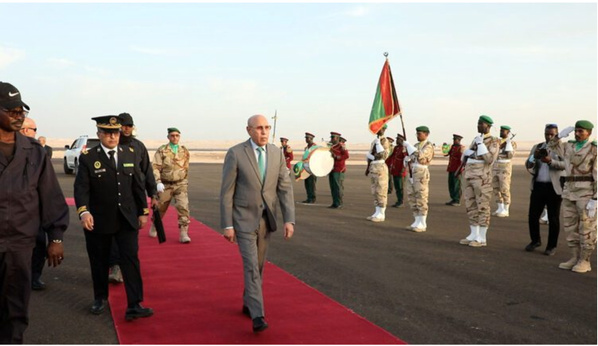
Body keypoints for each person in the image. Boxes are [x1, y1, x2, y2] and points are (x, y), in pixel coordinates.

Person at [0, 82, 69, 343]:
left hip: (20, 245)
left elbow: (50, 197)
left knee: (16, 310)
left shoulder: (36, 153)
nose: (19, 116)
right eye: (12, 111)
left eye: (21, 111)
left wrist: (57, 237)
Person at [220, 114, 295, 333]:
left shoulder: (276, 153)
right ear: (249, 130)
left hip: (266, 220)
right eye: (259, 128)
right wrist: (227, 224)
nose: (264, 132)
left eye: (267, 127)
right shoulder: (235, 153)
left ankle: (248, 302)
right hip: (243, 220)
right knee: (251, 265)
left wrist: (289, 219)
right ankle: (258, 315)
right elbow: (226, 192)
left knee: (259, 265)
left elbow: (284, 187)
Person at [74, 115, 153, 320]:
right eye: (107, 133)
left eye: (115, 132)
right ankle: (100, 298)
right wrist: (84, 211)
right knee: (99, 261)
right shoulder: (88, 157)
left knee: (131, 260)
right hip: (99, 220)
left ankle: (135, 304)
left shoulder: (130, 154)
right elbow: (81, 189)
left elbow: (138, 185)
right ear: (99, 134)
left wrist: (143, 211)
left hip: (126, 219)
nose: (112, 136)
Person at [108, 112, 159, 283]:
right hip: (114, 198)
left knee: (130, 235)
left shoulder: (139, 147)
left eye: (129, 126)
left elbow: (147, 172)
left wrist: (153, 194)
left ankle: (127, 266)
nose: (126, 129)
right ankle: (115, 266)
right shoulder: (110, 147)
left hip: (135, 199)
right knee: (114, 234)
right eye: (123, 125)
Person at [548, 120, 596, 273]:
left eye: (581, 131)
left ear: (589, 133)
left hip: (586, 193)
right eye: (576, 130)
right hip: (569, 192)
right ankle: (574, 257)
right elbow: (550, 146)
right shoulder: (569, 146)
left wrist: (596, 198)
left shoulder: (594, 149)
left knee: (586, 228)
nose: (577, 133)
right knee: (570, 227)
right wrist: (558, 136)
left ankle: (585, 260)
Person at [459, 115, 500, 247]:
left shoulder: (494, 141)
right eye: (477, 123)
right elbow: (465, 155)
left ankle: (482, 237)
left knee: (482, 206)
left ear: (488, 126)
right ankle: (473, 233)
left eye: (481, 124)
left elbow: (489, 159)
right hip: (470, 175)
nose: (478, 126)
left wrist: (479, 146)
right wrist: (472, 151)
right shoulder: (476, 139)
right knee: (470, 205)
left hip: (482, 178)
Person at [524, 124, 565, 256]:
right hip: (538, 186)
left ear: (557, 135)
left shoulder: (562, 148)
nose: (549, 137)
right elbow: (528, 165)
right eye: (547, 134)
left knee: (553, 218)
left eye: (552, 134)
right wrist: (533, 158)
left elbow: (566, 165)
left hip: (554, 188)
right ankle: (535, 240)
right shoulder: (538, 147)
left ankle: (551, 246)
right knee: (533, 216)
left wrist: (550, 161)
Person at [151, 127, 191, 243]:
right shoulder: (162, 150)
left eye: (177, 135)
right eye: (172, 135)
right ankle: (155, 224)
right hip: (165, 184)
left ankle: (184, 233)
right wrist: (158, 182)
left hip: (180, 184)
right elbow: (155, 167)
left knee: (183, 207)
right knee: (160, 208)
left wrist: (184, 180)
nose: (175, 138)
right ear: (168, 137)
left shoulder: (184, 151)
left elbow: (186, 167)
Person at [403, 126, 435, 232]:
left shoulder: (428, 146)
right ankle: (416, 219)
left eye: (420, 133)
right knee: (412, 196)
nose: (417, 135)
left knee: (421, 197)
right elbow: (412, 157)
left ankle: (423, 222)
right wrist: (407, 159)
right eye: (417, 133)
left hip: (421, 173)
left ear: (426, 134)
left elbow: (420, 156)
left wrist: (409, 147)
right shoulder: (416, 145)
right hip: (412, 172)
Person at [365, 124, 391, 222]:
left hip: (380, 167)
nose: (379, 130)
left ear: (384, 129)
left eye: (381, 128)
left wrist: (378, 145)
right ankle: (377, 211)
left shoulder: (385, 141)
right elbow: (372, 154)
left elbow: (383, 155)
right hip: (374, 167)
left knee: (381, 191)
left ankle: (382, 213)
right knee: (375, 191)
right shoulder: (374, 142)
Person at [492, 125, 517, 217]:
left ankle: (506, 209)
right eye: (501, 130)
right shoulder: (497, 142)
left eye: (503, 131)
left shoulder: (512, 143)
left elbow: (510, 155)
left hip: (504, 167)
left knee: (504, 187)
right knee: (495, 187)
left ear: (508, 133)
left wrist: (508, 144)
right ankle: (500, 207)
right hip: (495, 166)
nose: (501, 132)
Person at [386, 134, 408, 208]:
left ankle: (401, 201)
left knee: (400, 187)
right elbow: (391, 157)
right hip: (395, 170)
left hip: (400, 170)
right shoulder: (396, 148)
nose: (396, 140)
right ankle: (398, 200)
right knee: (396, 186)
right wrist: (385, 163)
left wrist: (403, 169)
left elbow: (406, 159)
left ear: (402, 140)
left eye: (398, 139)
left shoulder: (404, 148)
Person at [328, 131, 349, 209]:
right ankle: (334, 202)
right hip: (331, 169)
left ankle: (339, 203)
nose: (332, 139)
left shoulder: (341, 146)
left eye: (333, 137)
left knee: (338, 187)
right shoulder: (331, 147)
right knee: (333, 187)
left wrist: (336, 157)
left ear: (337, 138)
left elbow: (346, 155)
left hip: (339, 169)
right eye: (331, 137)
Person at [445, 134, 464, 206]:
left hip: (457, 169)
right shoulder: (453, 147)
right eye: (453, 139)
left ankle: (457, 200)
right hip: (451, 168)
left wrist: (459, 170)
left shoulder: (460, 148)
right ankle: (453, 198)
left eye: (455, 140)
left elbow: (462, 160)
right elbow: (448, 153)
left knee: (457, 185)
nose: (453, 141)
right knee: (451, 184)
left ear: (458, 140)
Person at [302, 132, 318, 203]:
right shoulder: (306, 148)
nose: (306, 139)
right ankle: (309, 197)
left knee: (311, 184)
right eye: (306, 138)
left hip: (313, 168)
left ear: (311, 139)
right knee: (307, 183)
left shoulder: (315, 147)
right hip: (306, 168)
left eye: (307, 138)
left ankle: (312, 198)